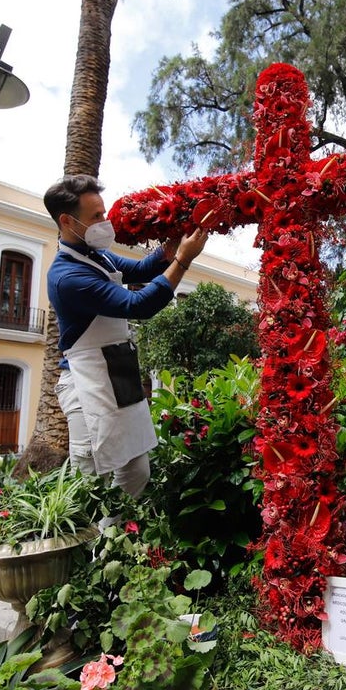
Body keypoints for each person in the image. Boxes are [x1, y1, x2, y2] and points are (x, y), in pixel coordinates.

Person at [44, 174, 207, 498]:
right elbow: (139, 304)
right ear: (67, 220)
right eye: (96, 216)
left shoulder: (95, 256)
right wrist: (183, 260)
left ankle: (112, 536)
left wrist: (168, 249)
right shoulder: (67, 276)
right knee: (91, 484)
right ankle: (96, 543)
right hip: (86, 384)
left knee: (135, 471)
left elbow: (139, 270)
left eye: (103, 213)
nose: (104, 222)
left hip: (116, 372)